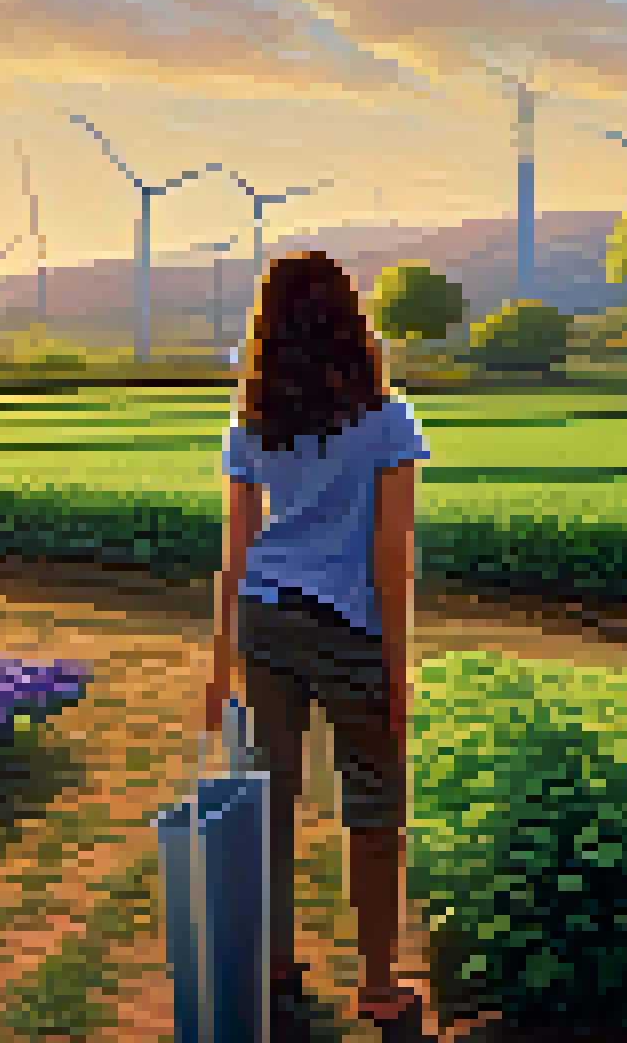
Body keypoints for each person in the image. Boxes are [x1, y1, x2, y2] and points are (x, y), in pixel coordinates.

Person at [208, 250, 427, 1026]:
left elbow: (237, 547)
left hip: (266, 618)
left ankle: (275, 965)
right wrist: (397, 669)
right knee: (372, 805)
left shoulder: (252, 422)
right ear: (349, 317)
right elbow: (391, 556)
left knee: (272, 798)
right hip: (350, 625)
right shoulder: (389, 420)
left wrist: (219, 657)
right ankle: (377, 982)